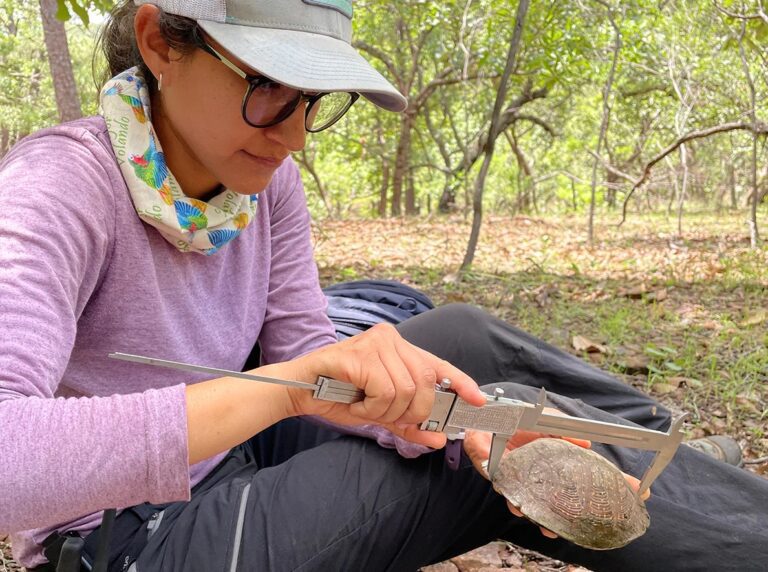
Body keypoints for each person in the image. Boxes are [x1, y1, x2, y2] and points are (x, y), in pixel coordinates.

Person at [0, 1, 766, 571]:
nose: (294, 133)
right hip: (122, 536)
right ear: (160, 41)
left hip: (238, 454)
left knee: (465, 344)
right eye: (267, 86)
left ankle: (680, 476)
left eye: (312, 100)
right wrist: (296, 386)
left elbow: (305, 346)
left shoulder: (267, 183)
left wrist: (413, 409)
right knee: (477, 467)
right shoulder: (58, 189)